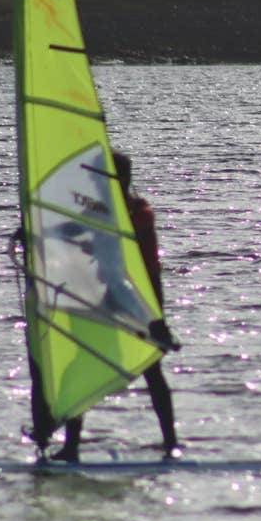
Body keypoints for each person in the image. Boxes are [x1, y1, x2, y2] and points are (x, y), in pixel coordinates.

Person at [51, 151, 182, 462]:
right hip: (99, 297)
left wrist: (158, 319)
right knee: (78, 369)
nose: (95, 183)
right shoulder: (94, 209)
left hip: (132, 300)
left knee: (151, 370)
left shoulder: (139, 213)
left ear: (120, 179)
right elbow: (64, 231)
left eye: (101, 177)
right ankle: (71, 447)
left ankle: (171, 443)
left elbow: (151, 269)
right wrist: (33, 231)